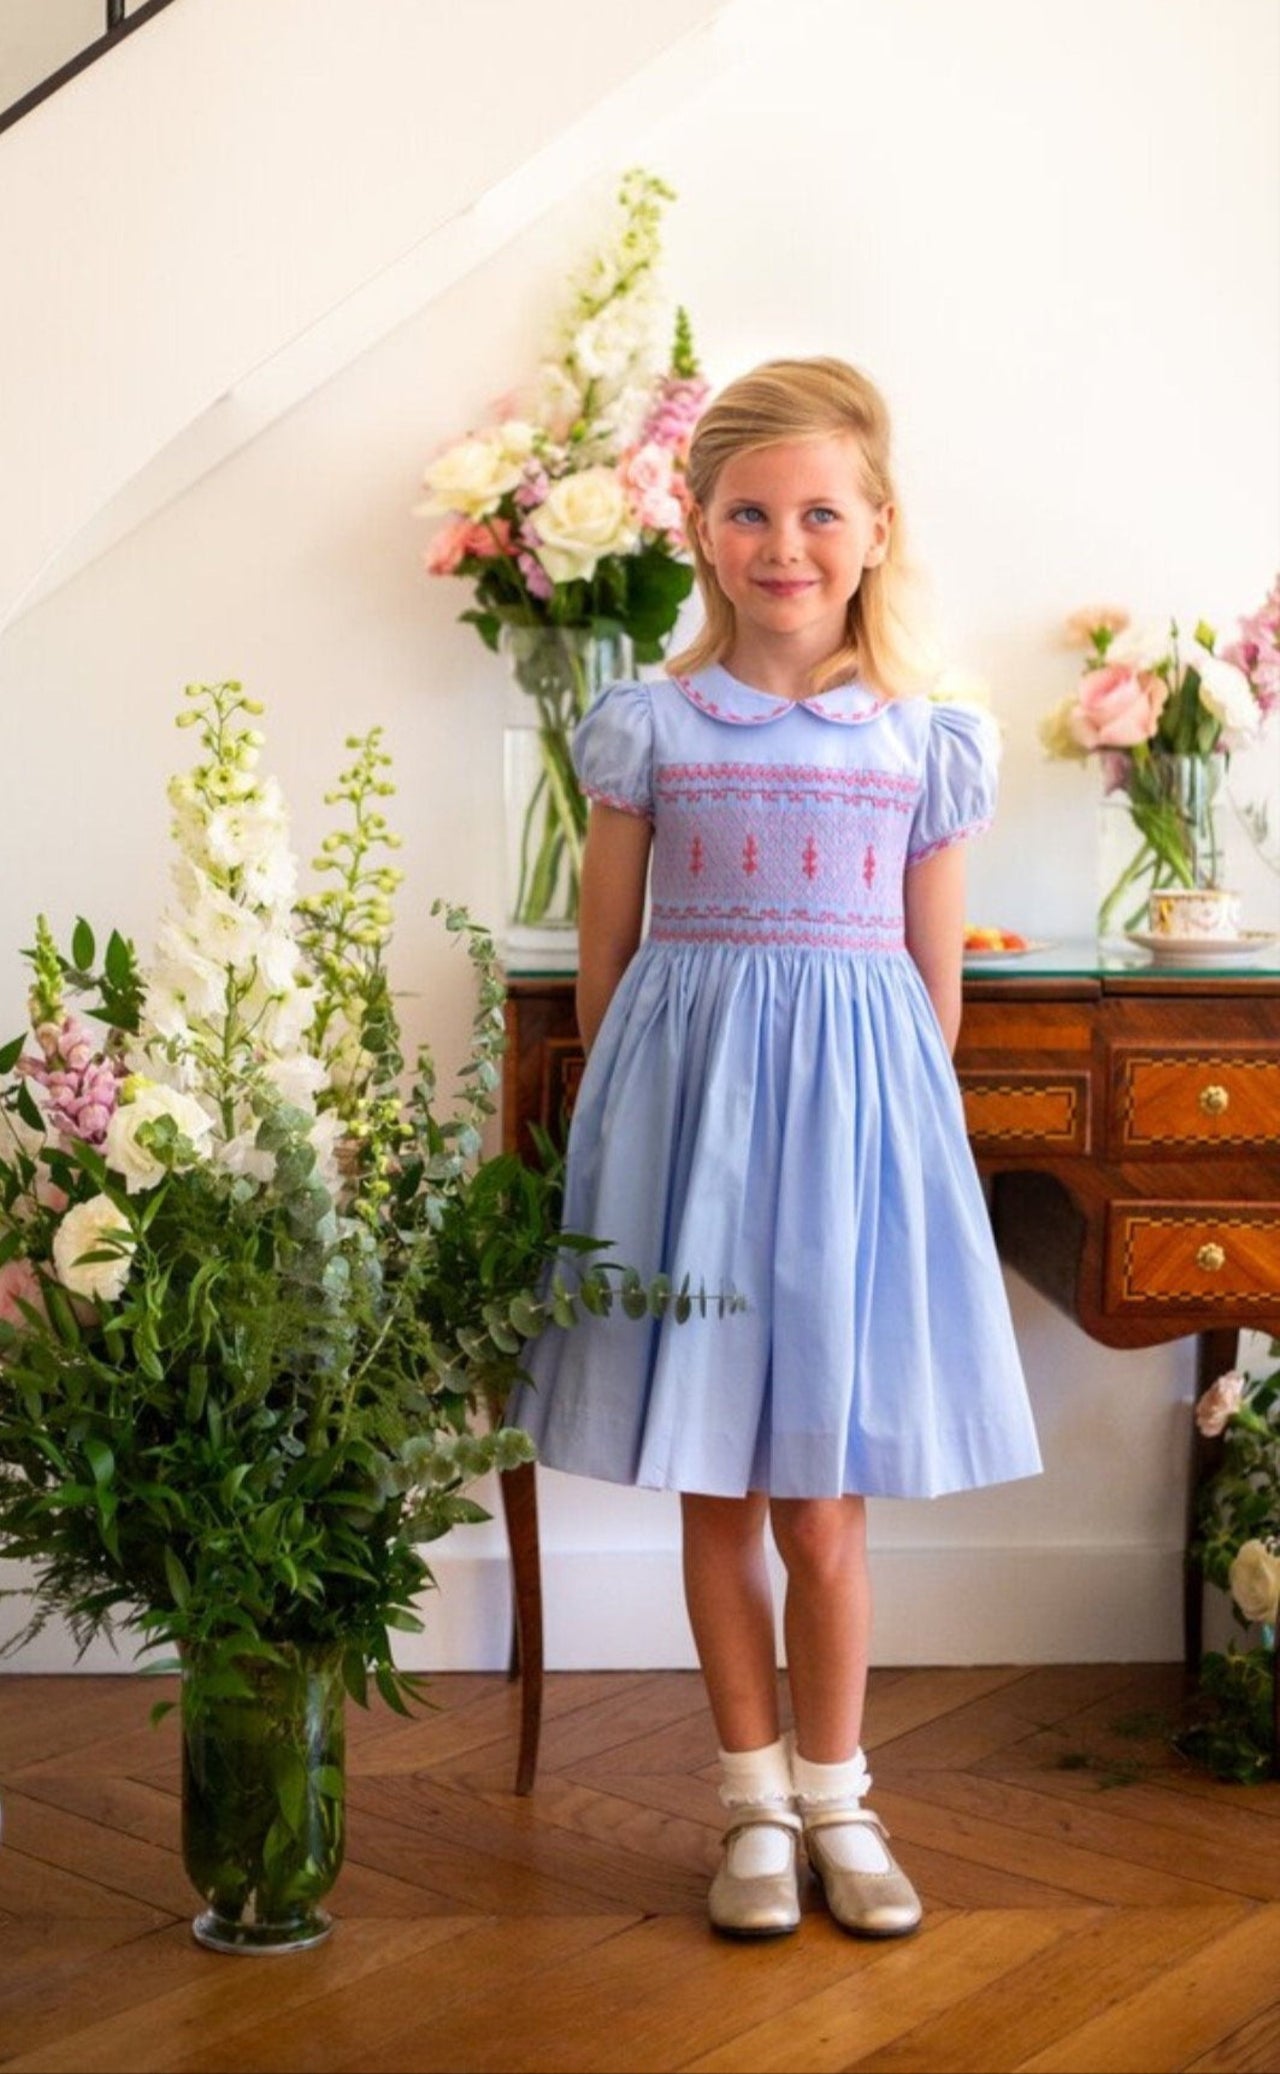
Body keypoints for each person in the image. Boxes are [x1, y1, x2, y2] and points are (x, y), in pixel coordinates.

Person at [508, 356, 1042, 1940]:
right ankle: (750, 1800)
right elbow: (607, 970)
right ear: (699, 527)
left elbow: (930, 996)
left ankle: (838, 1794)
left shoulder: (922, 741)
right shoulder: (648, 727)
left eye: (819, 512)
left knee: (823, 1502)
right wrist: (644, 1133)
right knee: (720, 1492)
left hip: (852, 1153)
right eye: (750, 511)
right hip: (690, 1141)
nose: (785, 544)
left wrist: (884, 1160)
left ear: (877, 528)